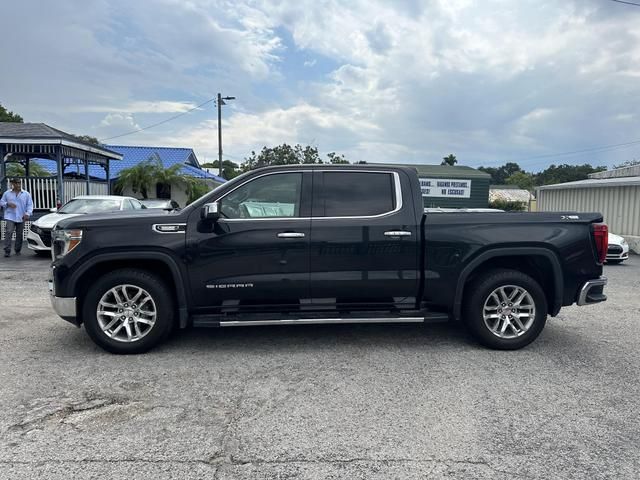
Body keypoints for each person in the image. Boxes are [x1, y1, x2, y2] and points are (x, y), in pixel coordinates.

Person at [0, 178, 34, 257]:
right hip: (10, 216)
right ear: (12, 184)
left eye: (19, 183)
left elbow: (30, 205)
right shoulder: (7, 193)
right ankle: (7, 250)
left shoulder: (26, 194)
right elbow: (1, 202)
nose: (18, 185)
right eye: (16, 183)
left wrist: (28, 213)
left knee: (19, 234)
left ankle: (17, 249)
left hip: (21, 216)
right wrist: (8, 204)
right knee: (9, 232)